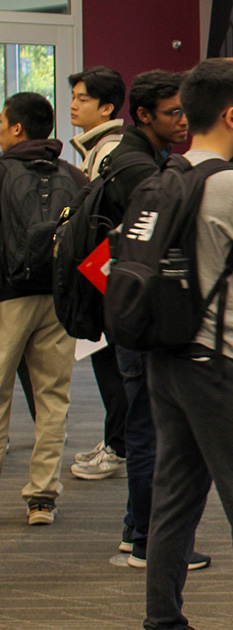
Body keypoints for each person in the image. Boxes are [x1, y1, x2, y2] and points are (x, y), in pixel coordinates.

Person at [142, 58, 233, 630]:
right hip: (224, 364)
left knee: (174, 503)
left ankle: (163, 620)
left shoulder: (166, 175)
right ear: (231, 114)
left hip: (168, 360)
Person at [103, 70, 210, 570]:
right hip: (140, 316)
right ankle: (148, 540)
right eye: (173, 112)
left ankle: (135, 532)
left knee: (148, 424)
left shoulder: (143, 159)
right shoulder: (136, 169)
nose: (183, 120)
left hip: (132, 309)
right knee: (150, 430)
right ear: (143, 115)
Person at [0, 92, 86, 526]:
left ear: (17, 129)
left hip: (6, 300)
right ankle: (42, 497)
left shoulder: (1, 173)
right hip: (57, 298)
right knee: (52, 397)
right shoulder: (73, 173)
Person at [66, 65, 131, 482]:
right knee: (107, 362)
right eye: (73, 96)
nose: (73, 104)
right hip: (99, 273)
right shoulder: (95, 149)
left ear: (107, 107)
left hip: (110, 275)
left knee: (114, 366)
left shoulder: (112, 152)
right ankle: (116, 440)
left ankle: (120, 445)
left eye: (83, 98)